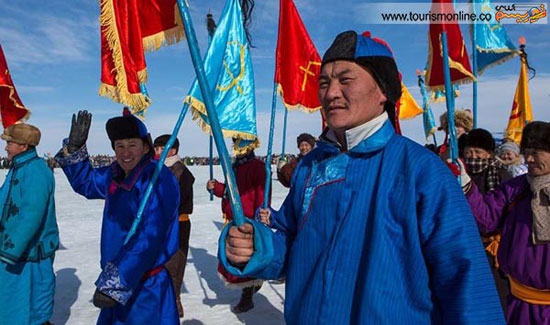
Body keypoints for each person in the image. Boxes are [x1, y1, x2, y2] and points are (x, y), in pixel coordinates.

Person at [219, 30, 504, 323]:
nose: (330, 93)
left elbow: (467, 286)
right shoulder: (310, 167)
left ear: (382, 91)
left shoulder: (422, 171)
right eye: (325, 82)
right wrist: (260, 247)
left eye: (345, 80)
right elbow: (294, 245)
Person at [55, 109, 180, 324]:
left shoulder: (157, 179)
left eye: (132, 145)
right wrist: (74, 149)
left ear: (146, 147)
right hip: (116, 284)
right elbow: (86, 182)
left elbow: (149, 237)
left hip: (144, 288)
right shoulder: (116, 173)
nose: (125, 153)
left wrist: (115, 282)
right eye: (119, 146)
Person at [462, 121, 550, 324]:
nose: (528, 159)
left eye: (536, 153)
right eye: (526, 152)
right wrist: (467, 184)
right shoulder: (515, 189)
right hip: (521, 305)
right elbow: (486, 219)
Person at [0, 124, 58, 325]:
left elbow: (31, 215)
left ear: (23, 146)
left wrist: (9, 250)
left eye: (9, 142)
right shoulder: (20, 167)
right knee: (12, 306)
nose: (6, 147)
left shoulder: (36, 172)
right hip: (16, 252)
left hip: (29, 254)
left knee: (30, 309)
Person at [206, 140, 267, 313]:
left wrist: (259, 220)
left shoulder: (257, 166)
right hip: (232, 220)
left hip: (248, 222)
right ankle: (250, 289)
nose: (236, 147)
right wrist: (216, 187)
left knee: (245, 260)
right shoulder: (235, 167)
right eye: (235, 144)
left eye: (240, 144)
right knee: (235, 258)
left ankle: (247, 296)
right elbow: (229, 191)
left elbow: (261, 195)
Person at [153, 134, 195, 318]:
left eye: (161, 148)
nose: (157, 152)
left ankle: (174, 300)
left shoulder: (180, 171)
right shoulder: (158, 169)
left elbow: (173, 200)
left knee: (174, 263)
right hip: (159, 224)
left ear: (173, 150)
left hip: (177, 223)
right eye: (156, 148)